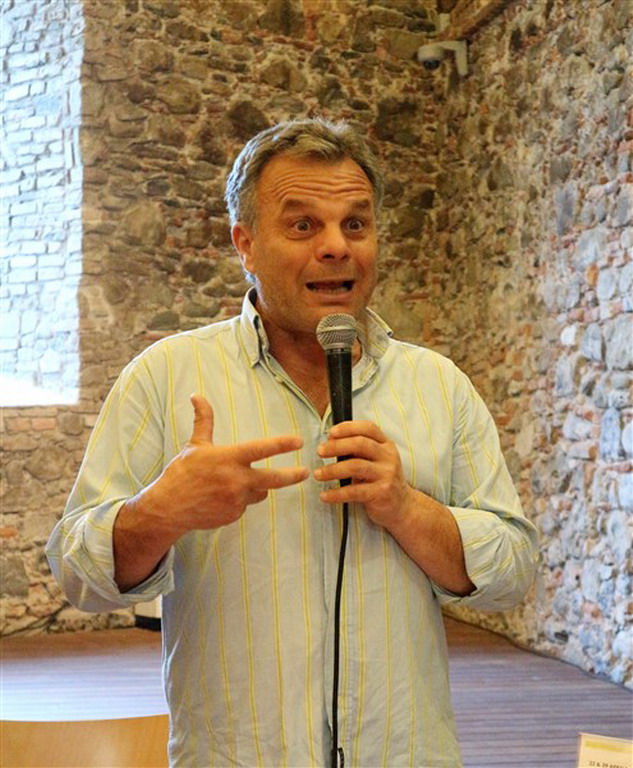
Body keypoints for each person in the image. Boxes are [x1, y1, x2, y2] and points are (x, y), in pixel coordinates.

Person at [47, 118, 539, 768]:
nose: (336, 247)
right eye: (303, 225)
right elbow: (77, 574)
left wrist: (405, 507)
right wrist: (159, 512)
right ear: (245, 244)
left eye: (355, 224)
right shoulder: (165, 377)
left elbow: (512, 572)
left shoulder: (439, 386)